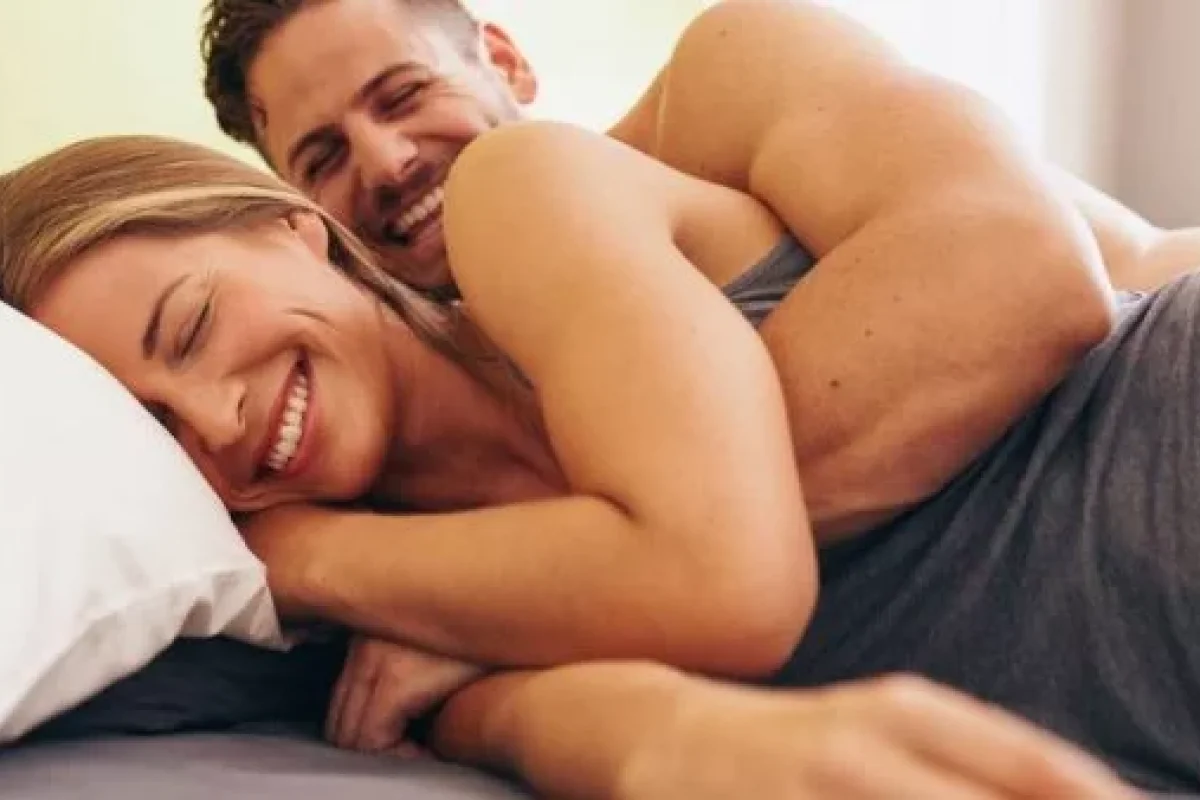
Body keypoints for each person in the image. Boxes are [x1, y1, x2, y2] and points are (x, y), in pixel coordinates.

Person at [0, 133, 1142, 800]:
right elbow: (549, 719)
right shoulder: (388, 607)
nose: (218, 421)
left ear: (290, 224)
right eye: (159, 432)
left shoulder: (516, 196)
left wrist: (305, 556)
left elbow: (722, 581)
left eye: (193, 325)